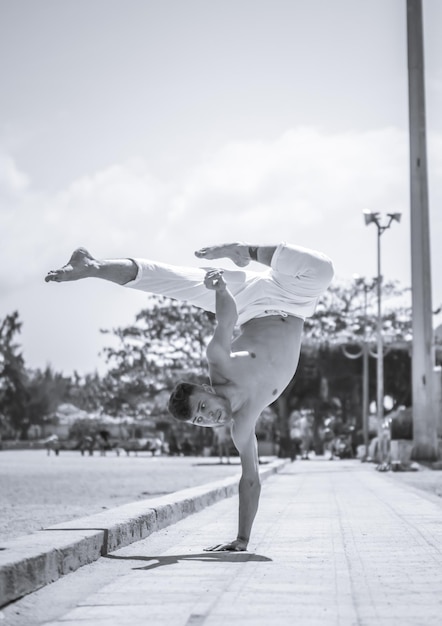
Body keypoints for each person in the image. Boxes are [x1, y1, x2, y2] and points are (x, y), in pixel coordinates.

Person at [45, 241, 334, 551]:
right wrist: (241, 540)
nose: (209, 418)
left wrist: (220, 290)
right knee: (323, 273)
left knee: (178, 279)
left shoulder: (219, 362)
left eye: (202, 408)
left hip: (247, 300)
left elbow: (225, 321)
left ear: (207, 391)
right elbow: (250, 479)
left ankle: (243, 251)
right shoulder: (242, 425)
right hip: (295, 301)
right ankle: (91, 265)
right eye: (200, 420)